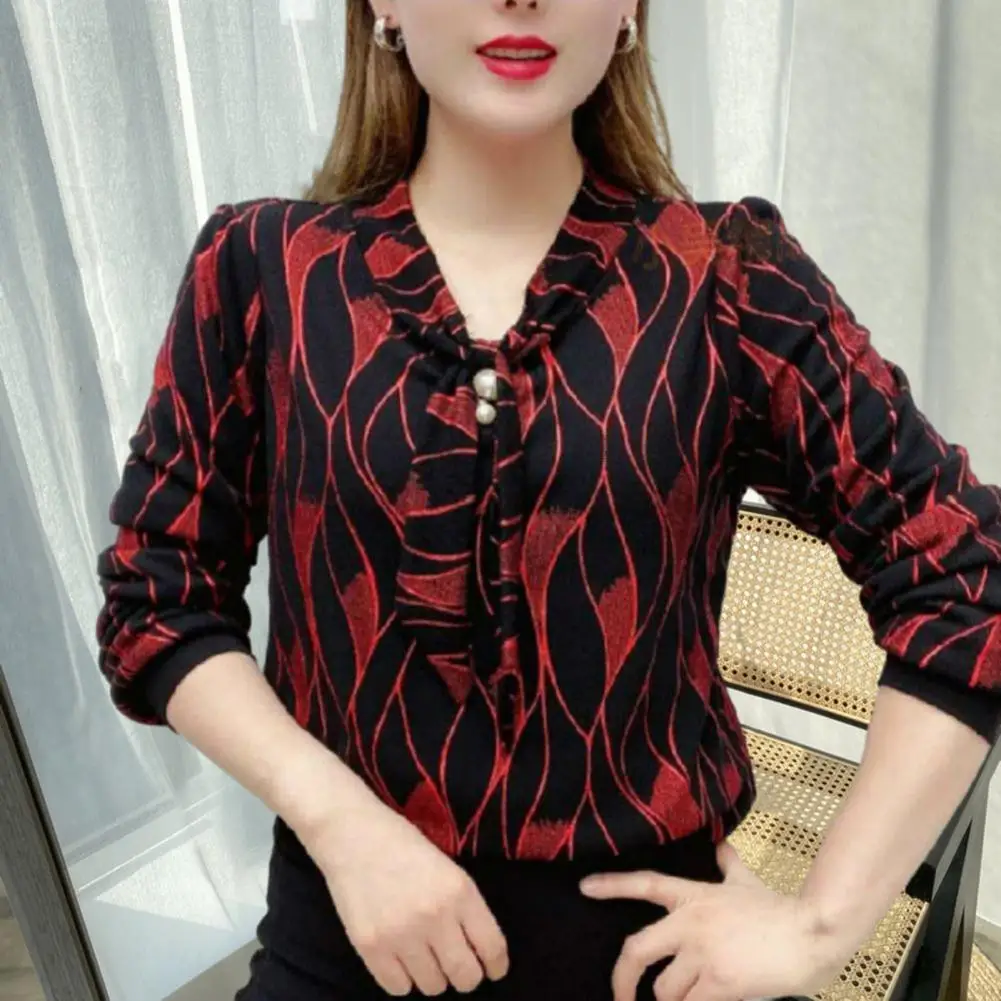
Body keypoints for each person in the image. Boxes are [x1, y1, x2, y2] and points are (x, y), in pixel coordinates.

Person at [94, 1, 1001, 999]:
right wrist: (340, 822)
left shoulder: (725, 278)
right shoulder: (262, 269)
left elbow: (964, 572)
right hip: (348, 936)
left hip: (653, 960)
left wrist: (818, 925)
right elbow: (158, 596)